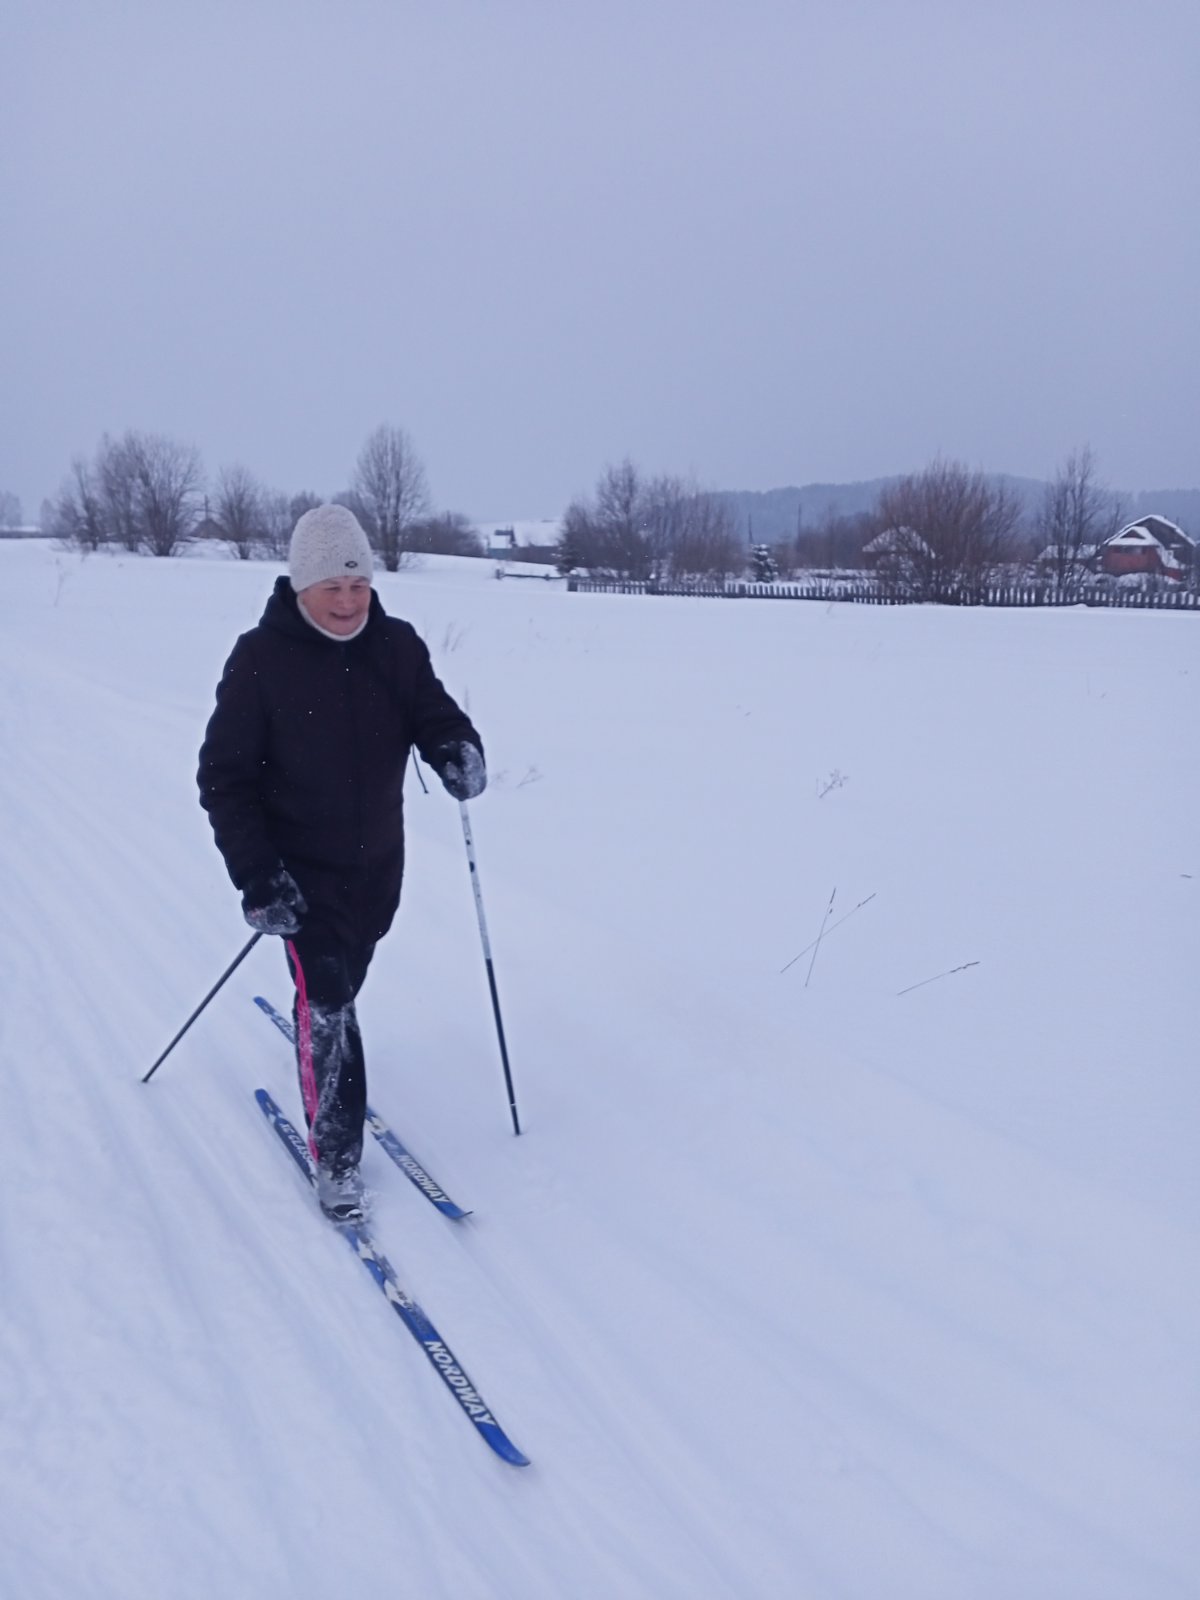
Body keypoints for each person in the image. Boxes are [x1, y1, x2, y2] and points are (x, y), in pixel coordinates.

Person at [197, 503, 485, 1223]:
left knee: (346, 981)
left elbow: (435, 714)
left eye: (359, 584)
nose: (350, 599)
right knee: (328, 1002)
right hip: (298, 875)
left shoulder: (397, 646)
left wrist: (456, 748)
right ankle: (338, 1157)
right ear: (302, 587)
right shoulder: (260, 659)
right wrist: (259, 876)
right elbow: (223, 778)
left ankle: (320, 1026)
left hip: (378, 868)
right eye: (334, 586)